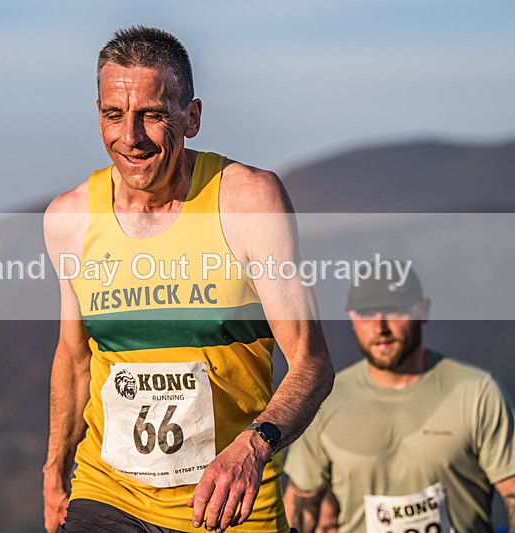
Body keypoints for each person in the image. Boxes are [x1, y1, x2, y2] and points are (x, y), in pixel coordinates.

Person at [41, 26, 334, 533]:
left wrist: (254, 445)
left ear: (192, 117)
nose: (130, 137)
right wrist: (54, 469)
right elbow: (73, 359)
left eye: (152, 116)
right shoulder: (69, 219)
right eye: (114, 115)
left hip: (229, 505)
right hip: (109, 496)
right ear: (99, 115)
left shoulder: (247, 201)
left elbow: (311, 361)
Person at [283, 267, 515, 533]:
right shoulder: (326, 400)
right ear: (351, 318)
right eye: (365, 313)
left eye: (393, 310)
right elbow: (301, 507)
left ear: (423, 310)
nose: (379, 327)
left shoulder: (476, 392)